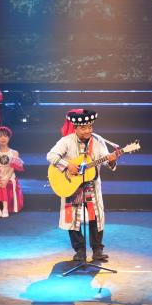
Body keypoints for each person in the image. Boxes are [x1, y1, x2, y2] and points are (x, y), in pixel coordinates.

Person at [45, 109, 123, 262]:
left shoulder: (98, 141)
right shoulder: (66, 141)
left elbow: (106, 161)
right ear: (75, 128)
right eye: (83, 128)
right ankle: (80, 250)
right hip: (73, 186)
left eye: (90, 127)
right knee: (73, 219)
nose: (88, 131)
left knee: (96, 217)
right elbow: (51, 155)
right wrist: (68, 165)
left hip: (91, 186)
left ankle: (97, 250)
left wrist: (112, 159)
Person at [0, 126, 24, 218]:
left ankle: (5, 209)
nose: (3, 138)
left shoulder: (14, 153)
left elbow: (13, 168)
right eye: (0, 136)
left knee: (5, 184)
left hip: (10, 178)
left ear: (9, 138)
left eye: (5, 136)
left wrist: (6, 179)